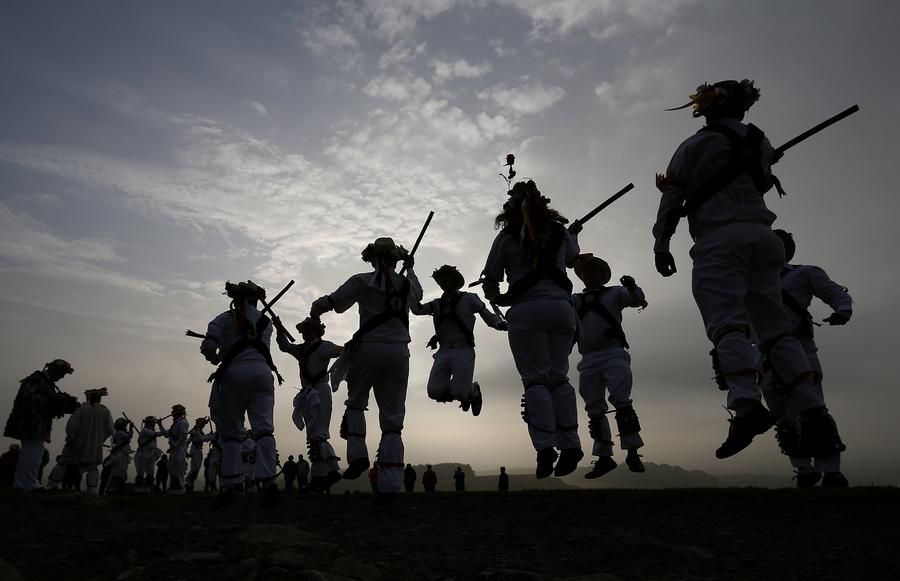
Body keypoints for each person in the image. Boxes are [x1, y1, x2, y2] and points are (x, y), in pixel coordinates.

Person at [653, 79, 820, 458]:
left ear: (707, 107)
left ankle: (745, 407)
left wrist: (661, 242)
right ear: (743, 108)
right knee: (775, 330)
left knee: (728, 324)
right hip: (763, 238)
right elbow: (761, 183)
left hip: (719, 240)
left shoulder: (693, 145)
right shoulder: (760, 143)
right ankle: (814, 410)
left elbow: (674, 195)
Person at [480, 180, 583, 478]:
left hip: (527, 311)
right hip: (563, 310)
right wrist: (573, 234)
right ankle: (571, 444)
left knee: (536, 381)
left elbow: (491, 278)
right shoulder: (559, 232)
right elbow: (573, 259)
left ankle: (544, 447)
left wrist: (494, 296)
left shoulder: (506, 237)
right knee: (558, 378)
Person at [310, 237, 423, 506]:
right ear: (395, 260)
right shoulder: (405, 283)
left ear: (372, 259)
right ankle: (389, 488)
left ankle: (358, 454)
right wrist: (411, 269)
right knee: (393, 420)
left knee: (357, 403)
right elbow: (417, 299)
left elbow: (333, 301)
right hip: (399, 352)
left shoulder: (361, 281)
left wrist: (316, 311)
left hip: (368, 349)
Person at [761, 229, 852, 487]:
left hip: (800, 346)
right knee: (783, 413)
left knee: (814, 406)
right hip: (766, 353)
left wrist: (843, 310)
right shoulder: (750, 281)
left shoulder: (804, 273)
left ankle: (831, 470)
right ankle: (803, 470)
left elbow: (833, 291)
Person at [202, 280, 282, 509]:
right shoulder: (267, 323)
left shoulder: (224, 319)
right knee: (264, 429)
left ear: (235, 300)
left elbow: (208, 347)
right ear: (257, 300)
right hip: (263, 373)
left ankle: (228, 486)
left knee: (231, 431)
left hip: (234, 374)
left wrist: (215, 358)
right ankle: (268, 483)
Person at [572, 254, 648, 479]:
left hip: (614, 353)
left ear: (602, 275)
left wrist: (632, 286)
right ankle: (604, 457)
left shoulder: (615, 292)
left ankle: (633, 452)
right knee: (594, 408)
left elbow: (635, 299)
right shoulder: (574, 299)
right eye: (585, 272)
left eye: (592, 271)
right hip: (587, 358)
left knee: (622, 403)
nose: (588, 275)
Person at [410, 265, 507, 414]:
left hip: (464, 350)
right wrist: (410, 278)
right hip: (444, 351)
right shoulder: (437, 304)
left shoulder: (469, 299)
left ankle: (470, 391)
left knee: (460, 392)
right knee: (434, 391)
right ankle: (465, 392)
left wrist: (498, 323)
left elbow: (487, 315)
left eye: (446, 279)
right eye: (440, 280)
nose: (442, 282)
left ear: (455, 280)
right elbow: (417, 310)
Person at [276, 317, 343, 492]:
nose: (305, 332)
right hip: (308, 393)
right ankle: (333, 471)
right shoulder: (301, 349)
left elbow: (342, 352)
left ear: (317, 331)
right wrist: (279, 328)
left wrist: (353, 345)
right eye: (304, 330)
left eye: (309, 329)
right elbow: (285, 347)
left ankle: (318, 478)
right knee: (316, 434)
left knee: (317, 435)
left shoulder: (325, 346)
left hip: (320, 391)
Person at [4, 359, 77, 491]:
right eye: (62, 373)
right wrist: (55, 402)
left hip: (34, 422)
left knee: (29, 452)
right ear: (55, 370)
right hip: (31, 423)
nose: (62, 377)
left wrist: (61, 404)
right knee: (35, 452)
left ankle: (21, 483)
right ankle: (29, 484)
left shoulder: (45, 382)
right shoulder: (37, 379)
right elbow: (30, 400)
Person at [46, 388, 114, 494]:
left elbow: (71, 426)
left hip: (76, 442)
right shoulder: (105, 411)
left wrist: (71, 437)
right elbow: (110, 429)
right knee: (92, 467)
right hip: (94, 446)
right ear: (99, 398)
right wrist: (99, 439)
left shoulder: (81, 408)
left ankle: (52, 485)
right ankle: (92, 491)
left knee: (64, 463)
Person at [158, 405, 189, 495]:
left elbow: (183, 436)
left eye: (174, 411)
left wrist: (176, 445)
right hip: (174, 450)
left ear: (178, 412)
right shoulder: (175, 424)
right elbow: (167, 434)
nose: (172, 412)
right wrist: (160, 425)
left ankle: (179, 490)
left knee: (178, 469)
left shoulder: (182, 422)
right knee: (172, 469)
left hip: (178, 450)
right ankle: (174, 489)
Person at [102, 417, 134, 494]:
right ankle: (114, 489)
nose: (125, 427)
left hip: (121, 454)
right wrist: (131, 427)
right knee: (118, 472)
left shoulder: (118, 433)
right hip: (120, 455)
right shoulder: (119, 433)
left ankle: (115, 489)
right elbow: (128, 437)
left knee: (120, 471)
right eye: (124, 425)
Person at [134, 416, 162, 494]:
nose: (154, 425)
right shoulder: (145, 430)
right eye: (153, 423)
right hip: (143, 454)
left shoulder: (149, 431)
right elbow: (158, 434)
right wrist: (161, 426)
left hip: (151, 454)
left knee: (150, 472)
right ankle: (138, 489)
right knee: (141, 472)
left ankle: (147, 489)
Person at [186, 417, 213, 493]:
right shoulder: (194, 431)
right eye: (203, 424)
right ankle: (189, 485)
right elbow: (189, 441)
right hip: (195, 450)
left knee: (197, 469)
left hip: (199, 450)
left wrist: (209, 435)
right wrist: (186, 452)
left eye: (204, 424)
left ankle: (190, 484)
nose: (204, 425)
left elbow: (203, 438)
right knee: (194, 469)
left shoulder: (199, 431)